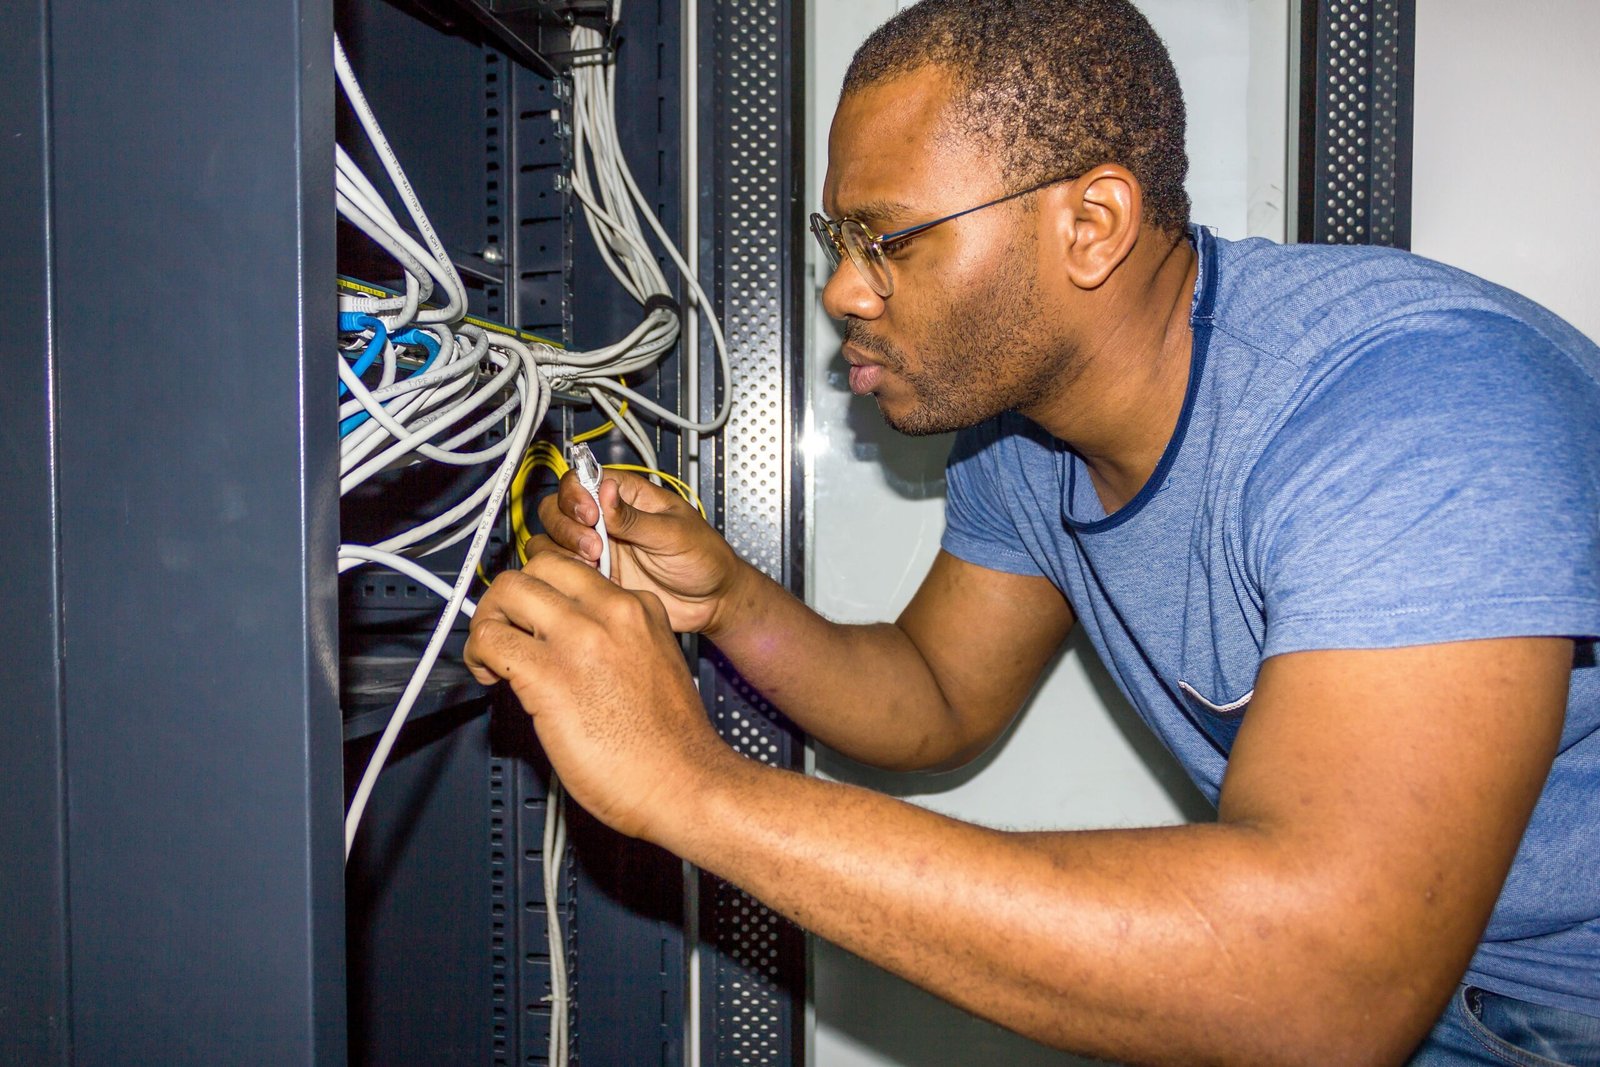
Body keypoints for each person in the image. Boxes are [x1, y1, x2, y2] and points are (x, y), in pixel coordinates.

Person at [465, 0, 1600, 1061]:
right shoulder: (1023, 439)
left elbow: (1327, 982)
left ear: (1091, 223)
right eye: (834, 243)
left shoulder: (1411, 405)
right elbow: (934, 694)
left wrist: (690, 787)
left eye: (887, 240)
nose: (842, 293)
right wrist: (729, 606)